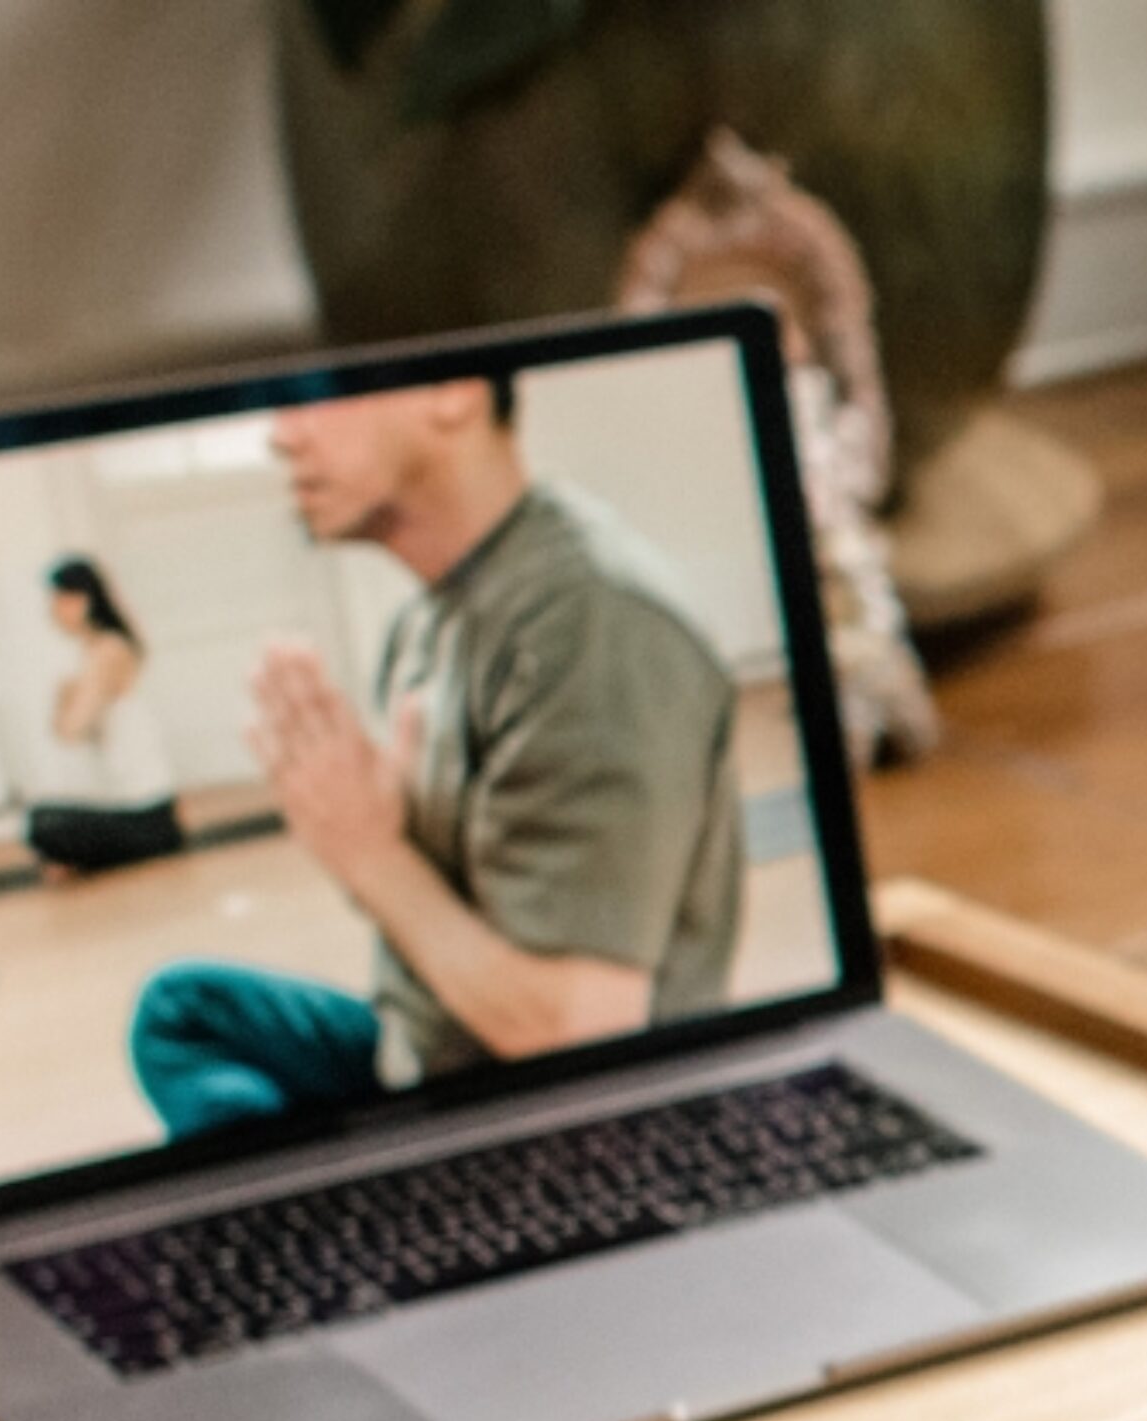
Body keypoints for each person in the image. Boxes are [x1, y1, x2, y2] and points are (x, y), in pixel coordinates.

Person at [129, 371, 744, 1138]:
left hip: (564, 1124)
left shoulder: (591, 624)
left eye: (317, 393)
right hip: (428, 1057)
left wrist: (368, 855)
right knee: (180, 1012)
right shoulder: (429, 621)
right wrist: (393, 836)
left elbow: (575, 1034)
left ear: (453, 391)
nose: (280, 434)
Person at [23, 555, 186, 875]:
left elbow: (72, 729)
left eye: (57, 601)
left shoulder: (109, 650)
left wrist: (65, 696)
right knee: (42, 818)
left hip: (146, 814)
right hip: (129, 805)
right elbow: (67, 732)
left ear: (81, 601)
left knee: (43, 824)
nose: (51, 612)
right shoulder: (94, 652)